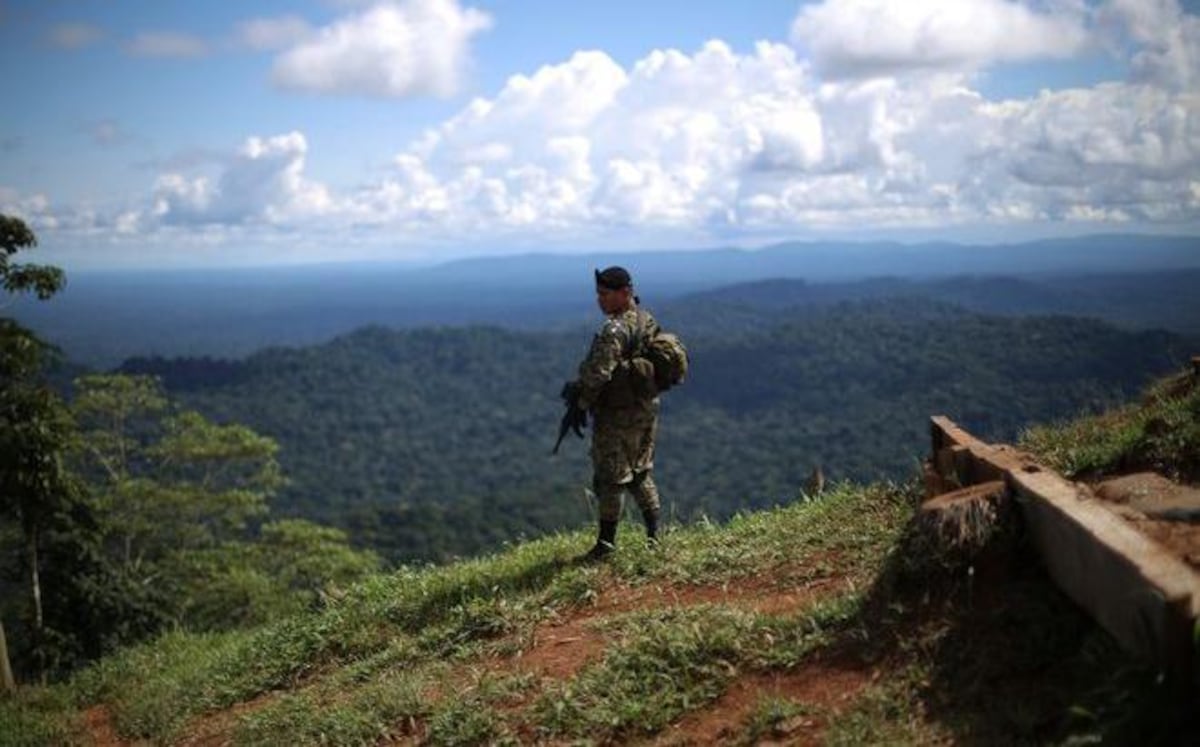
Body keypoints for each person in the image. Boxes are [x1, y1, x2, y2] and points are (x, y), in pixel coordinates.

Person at [566, 266, 663, 560]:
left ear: (625, 293)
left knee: (611, 477)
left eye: (605, 294)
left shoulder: (615, 329)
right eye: (598, 294)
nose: (600, 300)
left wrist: (581, 404)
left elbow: (598, 373)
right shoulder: (645, 319)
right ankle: (654, 537)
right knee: (640, 470)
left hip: (618, 414)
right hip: (646, 408)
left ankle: (604, 547)